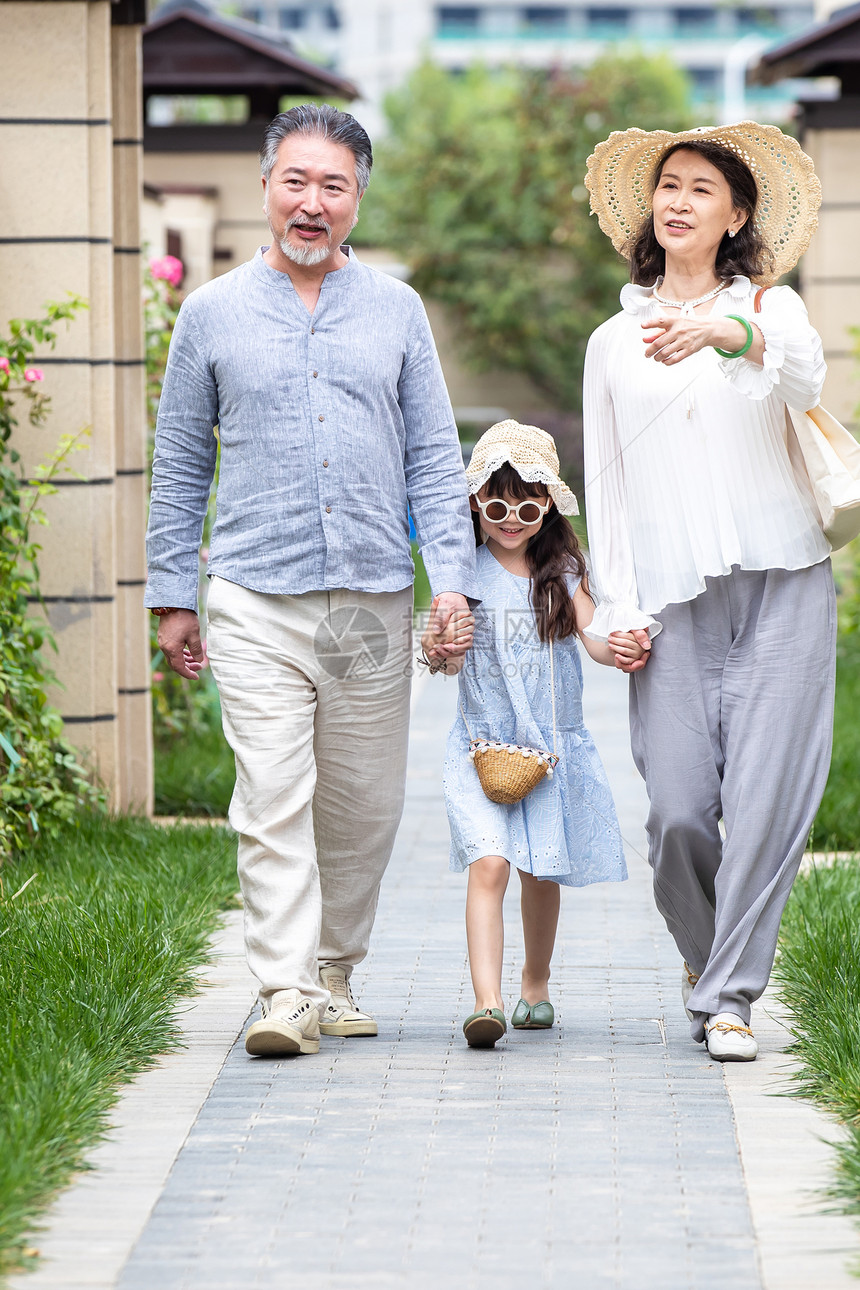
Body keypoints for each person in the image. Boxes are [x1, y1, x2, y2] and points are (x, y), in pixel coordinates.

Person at [145, 104, 477, 1058]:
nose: (312, 202)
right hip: (253, 595)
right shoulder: (208, 313)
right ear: (265, 188)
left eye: (334, 185)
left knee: (364, 802)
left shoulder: (397, 310)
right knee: (273, 792)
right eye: (296, 180)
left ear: (358, 200)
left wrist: (448, 582)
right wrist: (173, 596)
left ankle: (333, 969)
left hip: (371, 600)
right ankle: (283, 989)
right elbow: (178, 465)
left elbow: (430, 456)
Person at [582, 123, 834, 1062]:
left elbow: (802, 374)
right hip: (673, 601)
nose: (679, 201)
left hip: (784, 583)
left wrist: (729, 331)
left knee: (766, 801)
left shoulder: (776, 309)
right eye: (668, 186)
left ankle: (730, 997)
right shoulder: (613, 341)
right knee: (679, 810)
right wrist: (615, 607)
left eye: (701, 189)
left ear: (737, 215)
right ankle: (709, 958)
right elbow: (603, 480)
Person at [422, 421, 645, 1047]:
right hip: (481, 745)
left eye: (527, 505)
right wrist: (440, 647)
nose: (512, 519)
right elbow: (445, 659)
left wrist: (620, 644)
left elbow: (595, 640)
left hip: (550, 748)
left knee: (540, 873)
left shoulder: (562, 568)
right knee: (488, 864)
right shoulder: (460, 571)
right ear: (475, 504)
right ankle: (487, 1003)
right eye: (497, 505)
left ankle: (535, 983)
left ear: (548, 503)